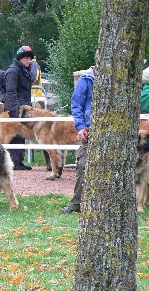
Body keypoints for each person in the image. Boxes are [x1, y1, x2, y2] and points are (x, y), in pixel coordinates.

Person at [61, 64, 94, 213]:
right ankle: (77, 204)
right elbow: (77, 104)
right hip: (89, 129)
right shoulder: (86, 78)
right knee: (83, 165)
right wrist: (81, 127)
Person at [4, 45, 34, 170]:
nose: (29, 61)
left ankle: (19, 160)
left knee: (22, 134)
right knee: (13, 135)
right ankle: (13, 161)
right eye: (26, 58)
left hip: (23, 108)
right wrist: (15, 110)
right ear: (21, 59)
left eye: (30, 58)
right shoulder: (13, 71)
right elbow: (11, 91)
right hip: (15, 108)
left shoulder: (23, 70)